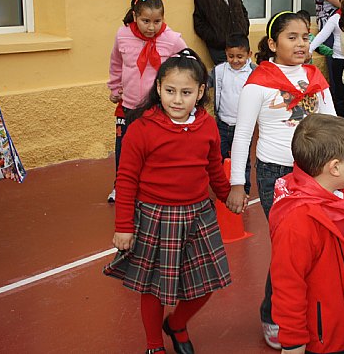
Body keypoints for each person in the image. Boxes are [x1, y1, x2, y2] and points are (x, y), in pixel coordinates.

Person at [103, 49, 247, 354]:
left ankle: (177, 323)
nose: (177, 99)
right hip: (154, 218)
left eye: (186, 92)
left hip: (198, 215)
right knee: (152, 288)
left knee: (208, 283)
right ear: (158, 89)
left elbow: (212, 168)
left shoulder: (207, 125)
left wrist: (227, 195)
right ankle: (154, 345)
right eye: (170, 91)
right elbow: (126, 180)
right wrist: (123, 226)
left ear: (200, 92)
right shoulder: (141, 128)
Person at [225, 11, 336, 349]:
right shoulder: (258, 83)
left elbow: (332, 124)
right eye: (292, 37)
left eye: (305, 36)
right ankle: (273, 314)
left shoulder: (315, 76)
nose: (301, 43)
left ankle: (304, 309)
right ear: (273, 44)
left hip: (315, 174)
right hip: (277, 174)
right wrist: (237, 183)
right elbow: (243, 135)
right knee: (289, 248)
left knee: (314, 247)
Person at [269, 114, 344, 354]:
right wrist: (294, 343)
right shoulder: (299, 220)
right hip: (319, 338)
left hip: (338, 323)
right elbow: (288, 285)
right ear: (335, 167)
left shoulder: (334, 197)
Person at [107, 0, 187, 203]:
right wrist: (115, 88)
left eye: (157, 21)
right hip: (129, 105)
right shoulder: (123, 35)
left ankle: (155, 184)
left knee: (156, 148)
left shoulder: (171, 39)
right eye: (145, 21)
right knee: (124, 146)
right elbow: (116, 63)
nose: (151, 27)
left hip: (157, 106)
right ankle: (121, 185)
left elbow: (188, 63)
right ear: (134, 16)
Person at [208, 33, 255, 194]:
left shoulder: (254, 73)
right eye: (230, 56)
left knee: (242, 159)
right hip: (222, 123)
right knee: (218, 157)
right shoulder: (219, 70)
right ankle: (221, 187)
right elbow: (204, 83)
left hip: (243, 126)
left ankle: (245, 189)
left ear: (249, 54)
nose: (235, 60)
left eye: (240, 56)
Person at [306, 4, 344, 117]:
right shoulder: (337, 17)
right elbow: (322, 35)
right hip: (339, 59)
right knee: (340, 94)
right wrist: (309, 50)